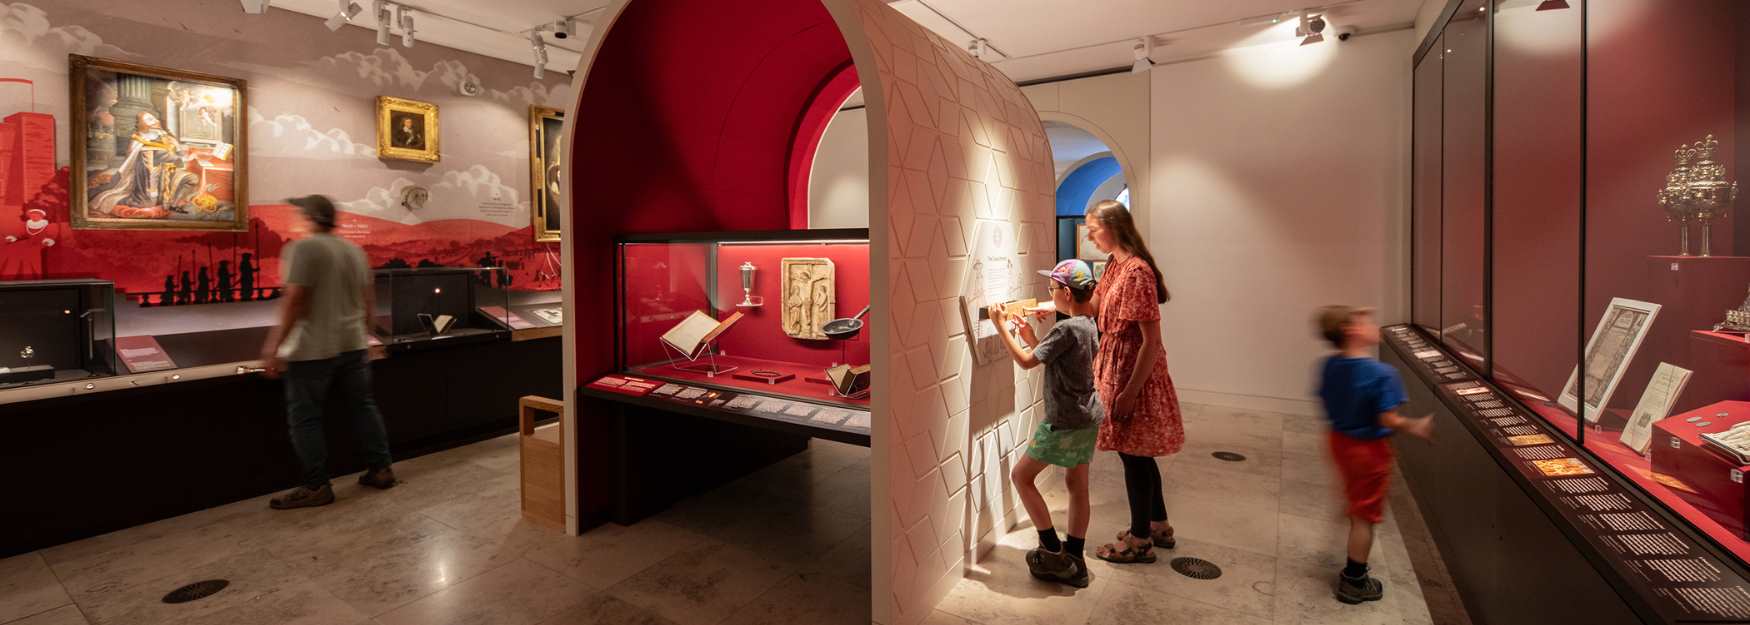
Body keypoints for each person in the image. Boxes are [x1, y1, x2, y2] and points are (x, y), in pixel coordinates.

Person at [260, 195, 395, 509]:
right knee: (363, 406)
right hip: (352, 345)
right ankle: (381, 468)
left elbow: (295, 300)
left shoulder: (303, 248)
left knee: (305, 418)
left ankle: (316, 485)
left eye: (299, 213)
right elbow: (369, 301)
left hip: (312, 348)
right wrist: (366, 336)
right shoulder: (353, 250)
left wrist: (273, 347)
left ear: (310, 217)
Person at [1079, 200, 1185, 565]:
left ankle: (1140, 540)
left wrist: (1129, 392)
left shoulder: (1136, 273)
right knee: (1139, 453)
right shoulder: (1114, 265)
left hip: (1133, 373)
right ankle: (1159, 525)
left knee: (1134, 457)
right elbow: (1092, 308)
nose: (1090, 236)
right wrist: (1058, 296)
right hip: (1117, 366)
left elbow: (1151, 342)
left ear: (1113, 227)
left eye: (1094, 229)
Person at [989, 259, 1104, 589]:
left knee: (1021, 477)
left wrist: (1000, 326)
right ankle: (1076, 559)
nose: (1048, 295)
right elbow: (1057, 358)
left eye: (1051, 289)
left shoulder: (1065, 329)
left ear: (1065, 292)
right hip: (1087, 417)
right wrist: (1029, 335)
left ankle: (1052, 550)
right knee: (1077, 485)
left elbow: (1028, 363)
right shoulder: (1087, 323)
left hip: (1063, 422)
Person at [1314, 305, 1432, 604]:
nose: (1374, 327)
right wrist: (1415, 425)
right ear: (1351, 332)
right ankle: (1354, 580)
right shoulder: (1382, 374)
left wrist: (1354, 314)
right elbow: (1388, 420)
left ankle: (1352, 511)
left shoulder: (1330, 365)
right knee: (1364, 517)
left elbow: (1325, 399)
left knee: (1356, 499)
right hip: (1367, 451)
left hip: (1339, 441)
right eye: (1365, 323)